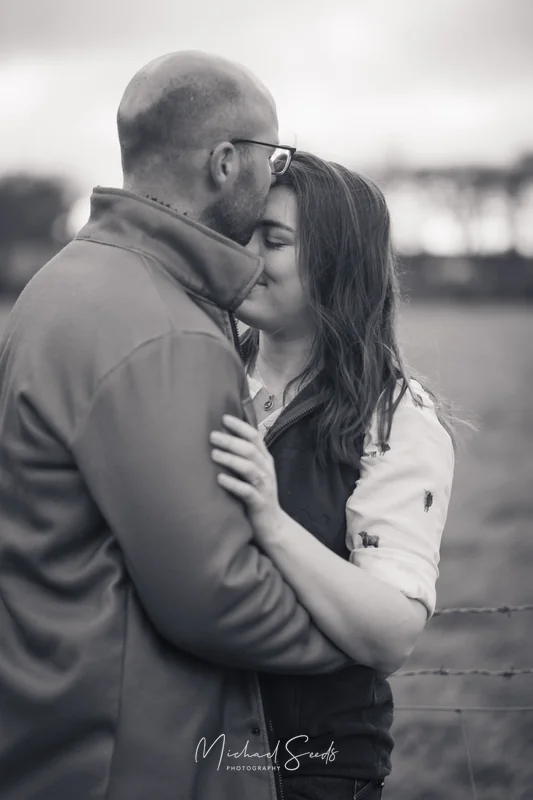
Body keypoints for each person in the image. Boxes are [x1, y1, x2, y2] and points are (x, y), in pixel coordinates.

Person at [0, 54, 353, 800]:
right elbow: (215, 597)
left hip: (48, 733)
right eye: (273, 157)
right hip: (139, 761)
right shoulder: (168, 328)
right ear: (226, 163)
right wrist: (356, 639)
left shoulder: (60, 282)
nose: (274, 175)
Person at [209, 151, 456, 800]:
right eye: (245, 231)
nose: (248, 251)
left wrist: (270, 519)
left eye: (276, 238)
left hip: (311, 769)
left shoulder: (396, 416)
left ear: (337, 260)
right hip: (187, 746)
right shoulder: (200, 368)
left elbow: (389, 636)